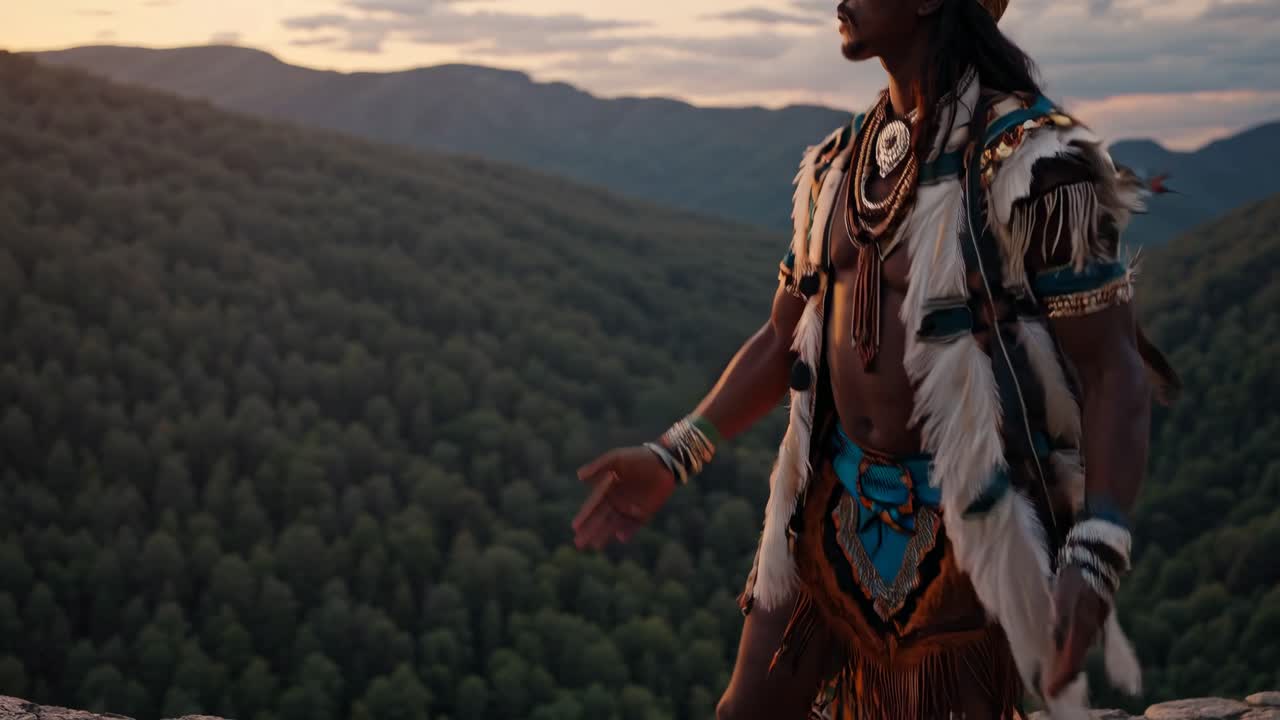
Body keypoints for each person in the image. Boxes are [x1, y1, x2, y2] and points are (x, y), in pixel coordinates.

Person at [572, 0, 1179, 716]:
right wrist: (674, 455)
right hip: (830, 506)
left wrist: (1095, 548)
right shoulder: (837, 163)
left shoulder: (1038, 164)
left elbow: (1114, 370)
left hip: (971, 532)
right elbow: (782, 338)